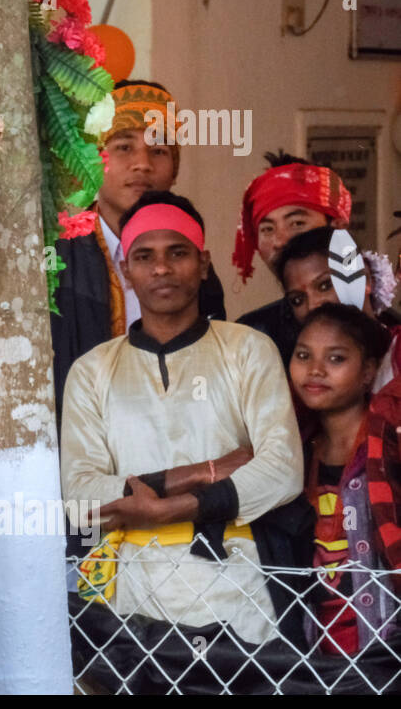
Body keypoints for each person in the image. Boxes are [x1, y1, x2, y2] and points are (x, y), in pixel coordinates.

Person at [62, 191, 303, 645]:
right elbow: (79, 496)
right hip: (129, 594)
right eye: (144, 256)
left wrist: (170, 507)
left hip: (237, 586)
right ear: (125, 270)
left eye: (178, 253)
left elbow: (282, 471)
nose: (161, 269)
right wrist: (204, 472)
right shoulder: (91, 370)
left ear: (204, 262)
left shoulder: (248, 349)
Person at [51, 80, 225, 423]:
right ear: (92, 160)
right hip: (82, 446)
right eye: (123, 147)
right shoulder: (57, 258)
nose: (142, 164)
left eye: (159, 150)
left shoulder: (193, 263)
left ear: (174, 169)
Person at [288, 304, 401, 655]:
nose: (315, 370)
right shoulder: (294, 451)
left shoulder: (389, 447)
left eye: (336, 359)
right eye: (303, 355)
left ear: (368, 372)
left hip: (384, 646)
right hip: (313, 649)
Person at [234, 153, 352, 365]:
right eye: (268, 229)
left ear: (337, 227)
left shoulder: (389, 330)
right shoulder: (251, 335)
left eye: (297, 223)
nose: (280, 241)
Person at [275, 226, 401, 390]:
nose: (313, 305)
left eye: (325, 285)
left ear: (366, 279)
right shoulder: (303, 383)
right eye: (297, 299)